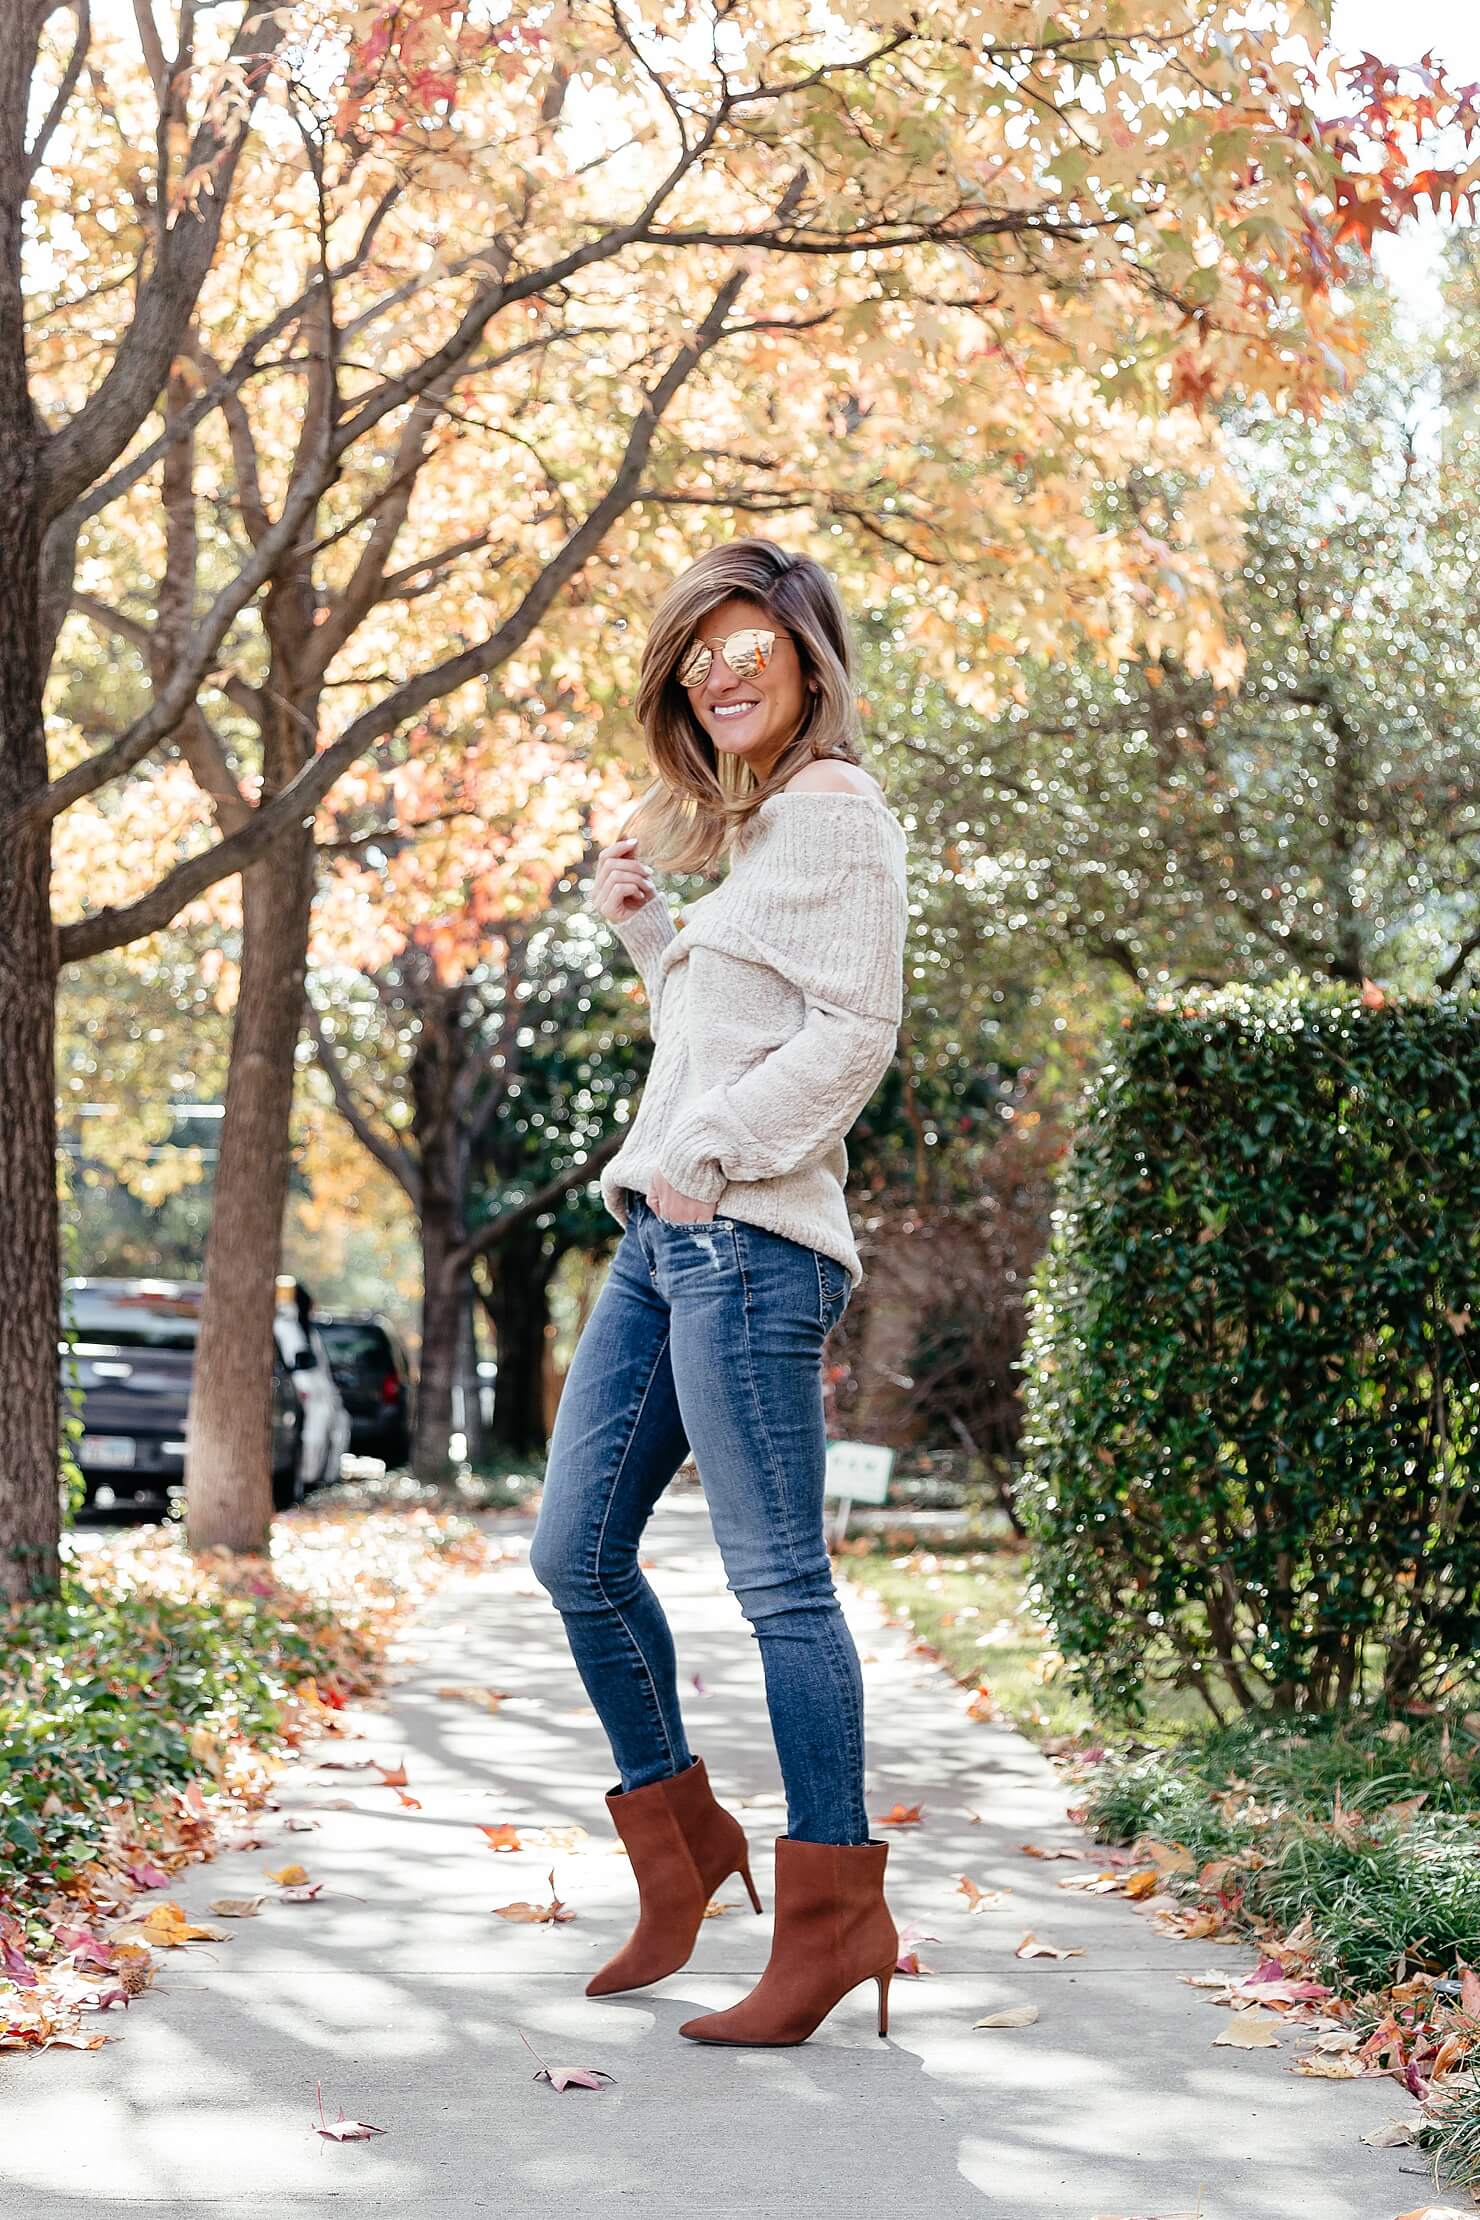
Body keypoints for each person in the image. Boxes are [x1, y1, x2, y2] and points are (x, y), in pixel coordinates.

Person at [529, 537, 909, 2047]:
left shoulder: (835, 810)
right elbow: (728, 1029)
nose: (720, 672)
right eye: (697, 657)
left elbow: (854, 1035)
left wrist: (713, 1148)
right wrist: (649, 941)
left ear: (809, 657)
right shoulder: (760, 839)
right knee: (574, 1554)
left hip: (747, 1248)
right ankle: (687, 1859)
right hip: (666, 1237)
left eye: (748, 643)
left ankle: (836, 1920)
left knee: (778, 1586)